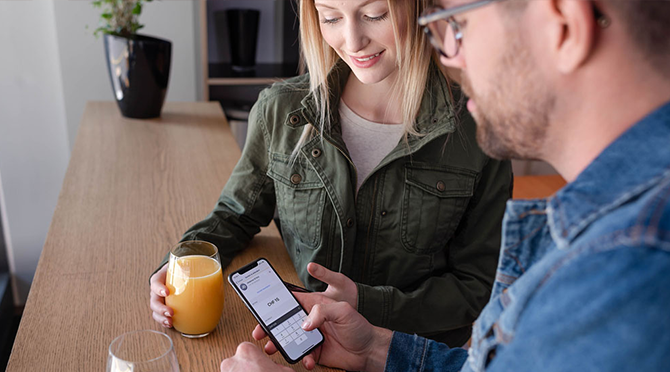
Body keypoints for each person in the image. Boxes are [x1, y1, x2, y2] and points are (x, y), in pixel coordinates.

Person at [220, 0, 670, 371]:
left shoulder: (628, 272)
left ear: (564, 27)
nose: (447, 55)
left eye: (456, 24)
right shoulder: (610, 235)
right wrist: (378, 349)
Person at [149, 0, 512, 346]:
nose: (352, 40)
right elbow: (234, 215)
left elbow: (478, 286)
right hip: (304, 343)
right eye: (331, 17)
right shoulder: (281, 110)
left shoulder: (480, 130)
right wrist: (177, 265)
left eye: (374, 14)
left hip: (411, 354)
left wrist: (364, 302)